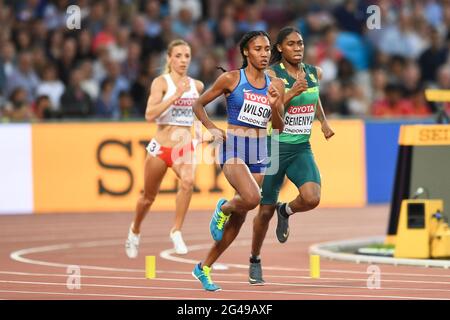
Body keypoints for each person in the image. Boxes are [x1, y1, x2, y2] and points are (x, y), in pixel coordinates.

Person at [192, 31, 285, 291]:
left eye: (267, 49)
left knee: (240, 219)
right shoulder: (232, 78)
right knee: (253, 198)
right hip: (233, 148)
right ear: (246, 52)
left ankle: (203, 267)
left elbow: (278, 127)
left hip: (258, 153)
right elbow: (198, 105)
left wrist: (276, 106)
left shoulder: (275, 84)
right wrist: (210, 127)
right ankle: (222, 208)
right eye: (258, 49)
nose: (264, 54)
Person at [249, 27, 335, 285]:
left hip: (300, 147)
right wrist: (293, 92)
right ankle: (254, 259)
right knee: (263, 212)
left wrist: (323, 121)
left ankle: (285, 211)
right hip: (274, 146)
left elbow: (315, 96)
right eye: (291, 44)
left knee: (312, 198)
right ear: (279, 48)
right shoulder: (272, 75)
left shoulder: (313, 72)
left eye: (300, 43)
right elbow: (268, 112)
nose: (298, 48)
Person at [125, 39, 204, 257]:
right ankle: (135, 230)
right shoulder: (161, 83)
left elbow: (197, 114)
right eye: (178, 56)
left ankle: (176, 230)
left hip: (183, 147)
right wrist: (176, 95)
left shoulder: (197, 86)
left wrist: (198, 132)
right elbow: (149, 115)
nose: (183, 60)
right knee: (148, 198)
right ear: (169, 58)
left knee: (188, 181)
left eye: (187, 56)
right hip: (161, 147)